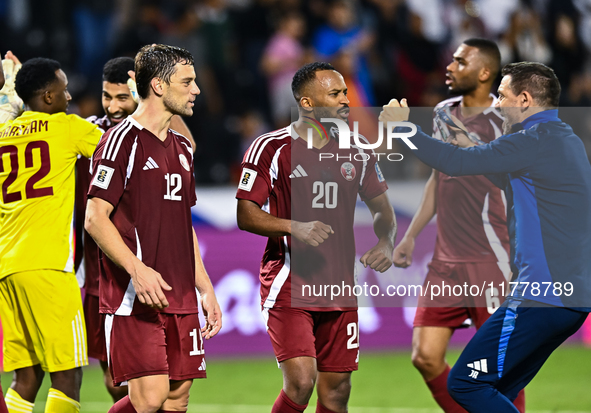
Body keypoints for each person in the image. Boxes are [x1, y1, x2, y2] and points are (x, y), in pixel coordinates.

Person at [380, 62, 591, 412]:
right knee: (498, 392)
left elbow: (453, 163)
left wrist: (404, 130)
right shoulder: (565, 140)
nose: (496, 105)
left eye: (503, 96)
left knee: (465, 384)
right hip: (572, 299)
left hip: (541, 294)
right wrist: (473, 151)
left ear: (524, 100)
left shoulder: (531, 140)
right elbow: (505, 176)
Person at [236, 62, 396, 413]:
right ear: (307, 103)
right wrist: (294, 226)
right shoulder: (271, 147)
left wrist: (385, 241)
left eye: (344, 92)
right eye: (335, 93)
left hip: (339, 287)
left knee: (336, 392)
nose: (344, 100)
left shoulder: (358, 150)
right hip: (290, 284)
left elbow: (383, 210)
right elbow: (245, 213)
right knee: (301, 381)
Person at [84, 44, 222, 413]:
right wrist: (137, 270)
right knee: (148, 399)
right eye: (187, 81)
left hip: (180, 294)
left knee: (177, 400)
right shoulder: (120, 142)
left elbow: (182, 224)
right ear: (159, 86)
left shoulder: (182, 147)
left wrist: (204, 286)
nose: (196, 90)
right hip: (135, 295)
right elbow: (95, 217)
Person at [392, 39, 524, 412]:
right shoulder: (443, 112)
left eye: (460, 61)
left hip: (491, 258)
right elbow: (439, 177)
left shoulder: (507, 120)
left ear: (484, 73)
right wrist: (410, 236)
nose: (449, 66)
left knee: (501, 369)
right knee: (425, 356)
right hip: (445, 261)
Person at [0, 57, 103, 413]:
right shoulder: (66, 128)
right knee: (68, 375)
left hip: (7, 269)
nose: (70, 96)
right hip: (48, 266)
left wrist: (7, 90)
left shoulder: (3, 133)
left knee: (25, 377)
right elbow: (122, 149)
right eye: (62, 90)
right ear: (47, 98)